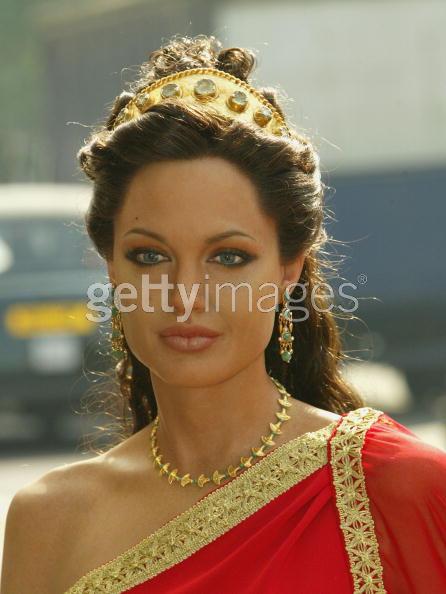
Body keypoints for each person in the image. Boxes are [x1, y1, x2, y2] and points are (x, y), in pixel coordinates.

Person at [1, 34, 445, 594]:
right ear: (111, 267)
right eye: (150, 256)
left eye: (228, 257)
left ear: (288, 269)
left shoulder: (396, 487)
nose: (185, 294)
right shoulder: (48, 523)